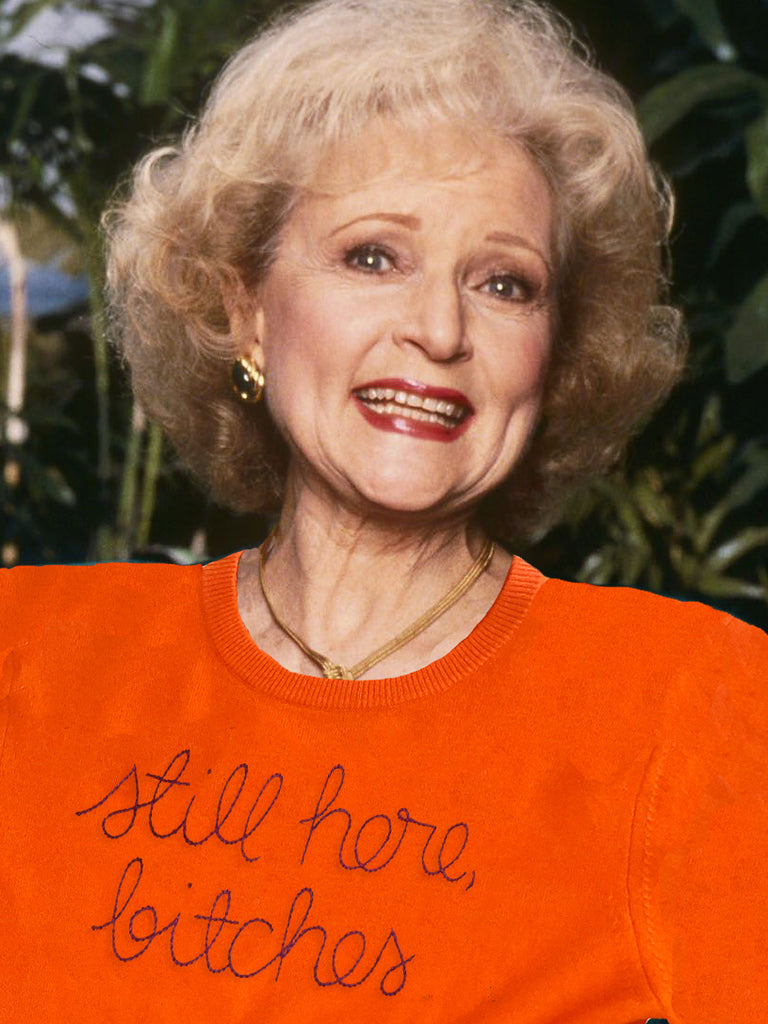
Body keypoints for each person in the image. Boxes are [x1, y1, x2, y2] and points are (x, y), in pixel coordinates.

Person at [1, 0, 766, 1021]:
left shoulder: (695, 707)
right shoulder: (28, 658)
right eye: (373, 256)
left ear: (556, 354)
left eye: (505, 283)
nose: (440, 329)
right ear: (245, 310)